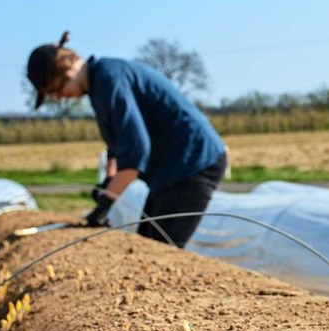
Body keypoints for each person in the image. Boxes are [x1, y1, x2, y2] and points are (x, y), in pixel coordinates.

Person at [27, 32, 227, 248]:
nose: (59, 97)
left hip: (193, 163)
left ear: (64, 68)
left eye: (56, 89)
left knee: (161, 252)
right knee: (146, 245)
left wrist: (105, 204)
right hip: (171, 171)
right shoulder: (100, 84)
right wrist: (109, 182)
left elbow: (136, 153)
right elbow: (118, 145)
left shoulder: (108, 78)